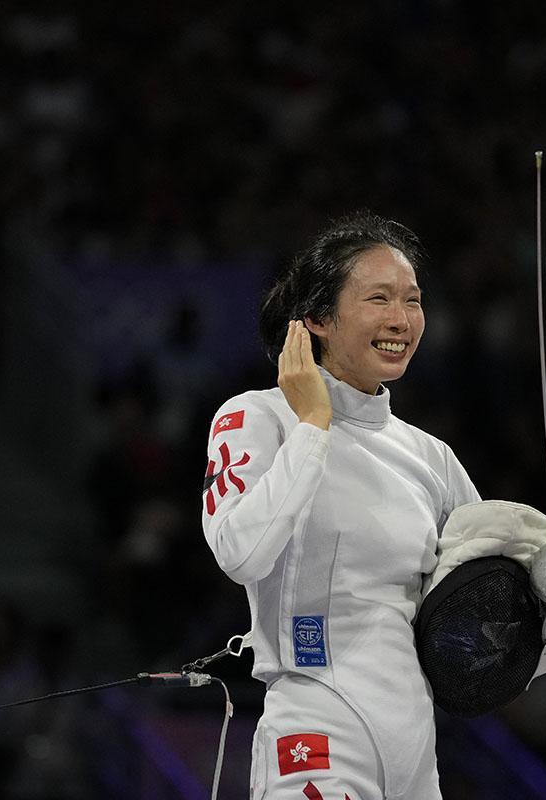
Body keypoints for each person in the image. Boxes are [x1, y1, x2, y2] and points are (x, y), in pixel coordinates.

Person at [201, 211, 480, 800]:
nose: (401, 320)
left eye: (413, 300)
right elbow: (240, 552)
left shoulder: (431, 458)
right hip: (315, 724)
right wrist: (312, 424)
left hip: (415, 746)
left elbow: (483, 610)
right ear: (318, 319)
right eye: (379, 299)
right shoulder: (256, 416)